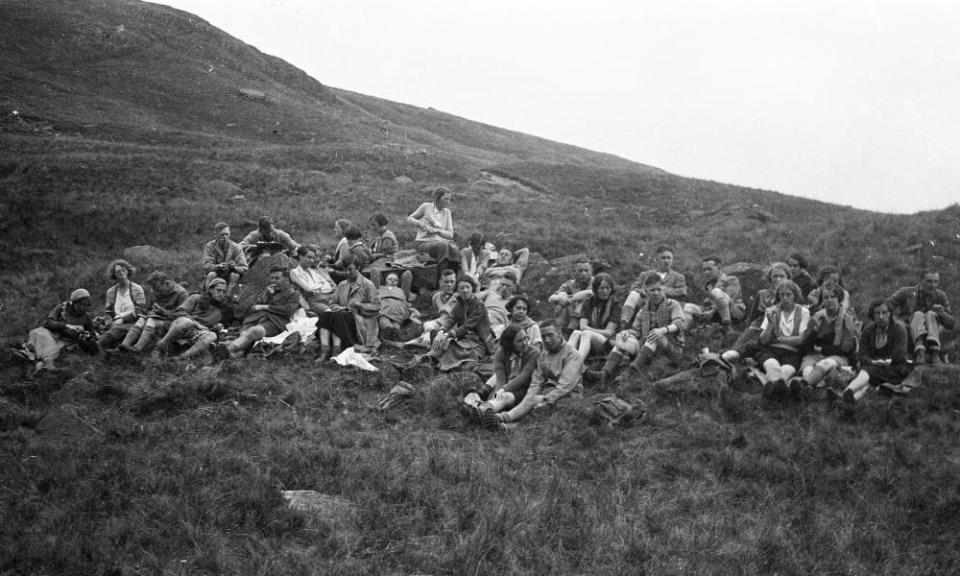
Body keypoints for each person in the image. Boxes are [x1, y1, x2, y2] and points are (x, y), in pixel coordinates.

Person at [481, 321, 584, 432]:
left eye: (550, 335)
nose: (547, 340)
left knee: (537, 408)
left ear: (560, 334)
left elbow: (565, 386)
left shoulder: (573, 355)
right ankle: (502, 424)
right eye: (543, 336)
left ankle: (502, 419)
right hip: (548, 391)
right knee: (530, 402)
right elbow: (536, 381)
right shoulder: (544, 355)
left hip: (568, 396)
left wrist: (546, 400)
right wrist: (529, 398)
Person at [585, 274, 684, 386]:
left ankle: (630, 372)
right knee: (622, 340)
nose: (656, 293)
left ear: (663, 289)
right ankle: (604, 373)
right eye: (652, 290)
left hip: (670, 349)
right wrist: (626, 333)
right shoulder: (643, 311)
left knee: (656, 335)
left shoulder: (672, 304)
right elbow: (635, 331)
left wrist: (663, 330)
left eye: (659, 289)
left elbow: (680, 323)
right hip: (648, 349)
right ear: (646, 291)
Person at [829, 299, 913, 405]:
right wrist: (873, 362)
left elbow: (899, 355)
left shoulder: (899, 330)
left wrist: (880, 361)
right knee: (867, 378)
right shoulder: (868, 331)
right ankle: (849, 401)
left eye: (884, 312)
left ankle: (846, 393)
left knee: (866, 372)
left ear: (890, 313)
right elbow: (862, 355)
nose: (881, 316)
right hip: (873, 368)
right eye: (878, 313)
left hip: (894, 369)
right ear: (873, 315)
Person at [789, 285, 860, 398]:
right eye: (826, 297)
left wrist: (823, 349)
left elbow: (847, 348)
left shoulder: (847, 319)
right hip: (815, 356)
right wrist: (815, 330)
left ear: (839, 299)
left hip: (838, 357)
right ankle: (809, 390)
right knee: (808, 369)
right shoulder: (817, 316)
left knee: (826, 363)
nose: (829, 300)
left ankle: (802, 385)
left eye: (833, 297)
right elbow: (806, 344)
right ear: (822, 300)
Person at [716, 262, 791, 368]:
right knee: (740, 344)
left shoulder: (791, 295)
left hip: (776, 328)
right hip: (758, 326)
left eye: (782, 276)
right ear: (770, 278)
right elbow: (754, 315)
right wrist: (749, 329)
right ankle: (725, 364)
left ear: (788, 278)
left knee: (752, 348)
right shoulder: (763, 294)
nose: (778, 279)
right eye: (775, 276)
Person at [461, 325, 539, 423]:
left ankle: (481, 411)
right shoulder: (501, 352)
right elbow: (500, 377)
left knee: (506, 396)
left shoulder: (534, 353)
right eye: (519, 341)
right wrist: (498, 393)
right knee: (500, 396)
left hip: (523, 389)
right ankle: (480, 410)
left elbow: (523, 377)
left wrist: (504, 389)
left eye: (525, 338)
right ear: (510, 344)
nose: (524, 343)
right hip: (506, 385)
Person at [416, 274, 493, 371]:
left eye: (467, 287)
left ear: (472, 288)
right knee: (443, 342)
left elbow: (466, 326)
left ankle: (434, 364)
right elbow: (451, 318)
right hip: (464, 338)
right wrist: (441, 331)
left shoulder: (479, 306)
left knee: (450, 345)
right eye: (461, 288)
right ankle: (425, 360)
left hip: (478, 341)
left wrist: (446, 335)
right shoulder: (459, 303)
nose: (465, 290)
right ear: (458, 290)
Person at [221, 266, 300, 358]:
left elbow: (288, 310)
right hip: (255, 319)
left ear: (286, 279)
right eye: (272, 278)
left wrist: (265, 306)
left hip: (274, 322)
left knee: (255, 331)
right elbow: (254, 307)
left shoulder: (293, 293)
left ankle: (226, 351)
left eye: (277, 278)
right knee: (245, 335)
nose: (273, 281)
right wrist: (267, 295)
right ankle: (231, 356)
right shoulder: (268, 291)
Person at [315, 253, 381, 358]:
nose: (347, 272)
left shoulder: (368, 285)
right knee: (325, 315)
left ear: (358, 267)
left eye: (350, 269)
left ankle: (336, 350)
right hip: (344, 317)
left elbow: (377, 307)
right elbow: (333, 302)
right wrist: (335, 307)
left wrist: (360, 305)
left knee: (342, 316)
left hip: (362, 320)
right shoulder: (342, 285)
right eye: (345, 269)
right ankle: (325, 350)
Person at [754, 280, 810, 399]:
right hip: (771, 350)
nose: (785, 298)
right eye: (782, 295)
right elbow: (763, 341)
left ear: (795, 295)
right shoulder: (772, 310)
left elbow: (800, 340)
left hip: (792, 352)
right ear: (778, 296)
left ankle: (772, 389)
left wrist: (778, 338)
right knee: (772, 366)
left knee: (786, 371)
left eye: (788, 294)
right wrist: (770, 324)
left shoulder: (804, 312)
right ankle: (779, 390)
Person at [20, 289, 97, 372]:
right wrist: (67, 326)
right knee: (39, 334)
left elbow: (92, 334)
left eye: (85, 305)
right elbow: (48, 323)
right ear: (73, 303)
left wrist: (86, 337)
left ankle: (41, 364)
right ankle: (36, 359)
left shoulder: (86, 318)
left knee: (52, 349)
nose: (82, 307)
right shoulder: (62, 308)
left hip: (64, 341)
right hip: (52, 334)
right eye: (79, 304)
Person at [155, 278, 231, 360]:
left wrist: (219, 327)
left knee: (213, 336)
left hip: (198, 332)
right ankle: (161, 345)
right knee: (187, 322)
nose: (221, 294)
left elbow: (225, 327)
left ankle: (181, 357)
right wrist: (196, 323)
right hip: (181, 325)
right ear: (211, 289)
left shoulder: (223, 309)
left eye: (223, 292)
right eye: (218, 290)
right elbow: (179, 312)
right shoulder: (196, 298)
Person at [889, 270, 954, 364]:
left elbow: (951, 324)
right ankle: (920, 352)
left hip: (933, 329)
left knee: (930, 314)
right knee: (918, 314)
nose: (933, 285)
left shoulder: (941, 296)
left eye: (936, 282)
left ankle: (934, 352)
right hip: (910, 327)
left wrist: (942, 313)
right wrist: (895, 320)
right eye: (929, 281)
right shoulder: (907, 292)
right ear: (921, 280)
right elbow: (888, 305)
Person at [118, 271, 189, 353]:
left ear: (167, 283)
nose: (157, 293)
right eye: (154, 290)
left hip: (172, 323)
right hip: (155, 318)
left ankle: (137, 349)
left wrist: (164, 312)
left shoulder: (181, 293)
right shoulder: (155, 291)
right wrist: (147, 313)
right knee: (141, 319)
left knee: (151, 320)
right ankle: (123, 346)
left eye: (159, 290)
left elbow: (183, 316)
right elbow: (147, 309)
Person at [621, 246, 687, 326]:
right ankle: (624, 323)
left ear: (672, 260)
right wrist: (642, 291)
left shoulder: (678, 277)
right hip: (646, 302)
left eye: (669, 258)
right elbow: (633, 288)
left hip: (665, 304)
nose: (666, 261)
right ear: (657, 260)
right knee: (633, 294)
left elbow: (682, 292)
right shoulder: (645, 274)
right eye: (663, 258)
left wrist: (663, 290)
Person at [567, 272, 620, 361]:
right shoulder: (588, 302)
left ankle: (577, 363)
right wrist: (600, 331)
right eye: (602, 288)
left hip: (607, 343)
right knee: (576, 332)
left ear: (611, 289)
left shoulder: (615, 304)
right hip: (588, 339)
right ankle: (564, 359)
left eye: (608, 288)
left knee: (586, 333)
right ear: (596, 289)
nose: (605, 291)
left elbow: (609, 332)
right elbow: (582, 327)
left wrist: (589, 330)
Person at [682, 256, 745, 330]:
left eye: (709, 269)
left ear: (719, 267)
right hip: (714, 314)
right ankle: (682, 333)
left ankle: (728, 328)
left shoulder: (731, 280)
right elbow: (706, 303)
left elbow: (727, 299)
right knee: (688, 306)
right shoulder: (707, 285)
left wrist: (711, 312)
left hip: (733, 313)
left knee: (717, 292)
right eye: (704, 270)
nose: (706, 272)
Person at [407, 186, 459, 271]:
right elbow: (410, 219)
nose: (448, 202)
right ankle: (441, 275)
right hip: (423, 242)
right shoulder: (426, 206)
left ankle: (453, 275)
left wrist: (437, 231)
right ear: (438, 198)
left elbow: (450, 235)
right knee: (443, 246)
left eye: (449, 199)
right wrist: (421, 225)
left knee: (455, 249)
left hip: (438, 241)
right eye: (446, 199)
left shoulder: (447, 212)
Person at [98, 259, 147, 349]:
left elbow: (141, 310)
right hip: (115, 322)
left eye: (123, 270)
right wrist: (109, 322)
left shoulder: (137, 289)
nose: (121, 273)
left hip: (132, 321)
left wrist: (123, 320)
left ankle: (98, 347)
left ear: (128, 271)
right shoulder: (111, 292)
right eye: (117, 272)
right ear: (114, 275)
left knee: (113, 332)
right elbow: (108, 312)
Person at [366, 213, 413, 292]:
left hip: (388, 265)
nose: (372, 228)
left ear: (381, 224)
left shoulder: (387, 237)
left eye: (374, 225)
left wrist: (372, 255)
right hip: (382, 263)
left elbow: (384, 254)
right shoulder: (381, 236)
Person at [549, 257, 594, 336]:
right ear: (575, 272)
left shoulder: (596, 282)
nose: (583, 273)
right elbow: (551, 298)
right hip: (572, 313)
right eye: (580, 271)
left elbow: (589, 293)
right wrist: (560, 298)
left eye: (586, 270)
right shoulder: (570, 283)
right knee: (562, 295)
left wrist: (568, 300)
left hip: (590, 315)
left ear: (591, 271)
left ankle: (571, 324)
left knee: (583, 298)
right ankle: (560, 327)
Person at [203, 221, 248, 300]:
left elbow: (244, 268)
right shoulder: (210, 246)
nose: (225, 237)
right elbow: (206, 265)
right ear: (216, 235)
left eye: (227, 234)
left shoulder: (236, 247)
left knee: (235, 275)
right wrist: (218, 267)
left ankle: (226, 299)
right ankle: (207, 297)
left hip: (230, 276)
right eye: (222, 235)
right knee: (211, 274)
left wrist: (234, 267)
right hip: (217, 274)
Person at [289, 245, 336, 314]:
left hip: (327, 297)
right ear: (301, 256)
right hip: (314, 301)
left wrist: (317, 287)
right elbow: (309, 289)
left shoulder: (313, 271)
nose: (312, 260)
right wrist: (320, 285)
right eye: (309, 257)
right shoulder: (295, 272)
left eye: (313, 258)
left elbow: (327, 286)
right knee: (330, 313)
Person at [377, 272, 418, 342]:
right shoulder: (381, 288)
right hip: (384, 307)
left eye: (395, 280)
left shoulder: (400, 290)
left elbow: (412, 296)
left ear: (398, 283)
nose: (392, 281)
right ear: (385, 282)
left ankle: (394, 336)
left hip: (398, 309)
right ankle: (389, 332)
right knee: (384, 320)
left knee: (396, 325)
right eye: (390, 279)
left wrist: (410, 301)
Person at [477, 270, 518, 338]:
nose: (504, 288)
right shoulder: (490, 293)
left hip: (497, 326)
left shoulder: (515, 301)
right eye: (502, 284)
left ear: (514, 286)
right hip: (481, 317)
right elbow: (471, 298)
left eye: (508, 286)